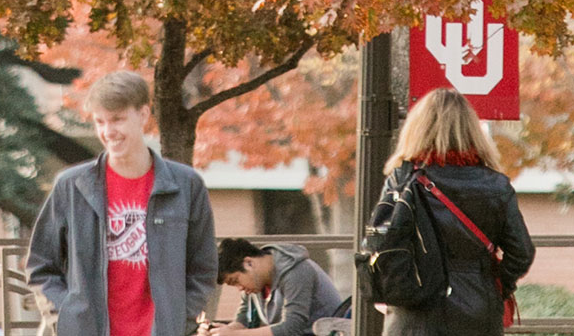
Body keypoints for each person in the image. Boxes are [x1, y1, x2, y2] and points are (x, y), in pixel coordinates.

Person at [26, 71, 218, 336]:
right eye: (100, 122)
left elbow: (203, 268)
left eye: (117, 119)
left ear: (143, 114)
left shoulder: (186, 185)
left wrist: (180, 321)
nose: (108, 132)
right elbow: (41, 267)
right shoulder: (70, 186)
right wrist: (68, 319)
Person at [378, 89, 535, 336]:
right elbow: (522, 253)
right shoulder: (496, 186)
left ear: (417, 128)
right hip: (477, 312)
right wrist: (493, 286)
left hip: (414, 313)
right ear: (472, 130)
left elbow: (383, 243)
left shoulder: (402, 180)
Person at [201, 238, 347, 336]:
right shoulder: (255, 284)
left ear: (248, 263)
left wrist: (234, 335)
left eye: (236, 281)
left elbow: (291, 328)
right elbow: (244, 319)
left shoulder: (296, 271)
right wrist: (219, 331)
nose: (240, 288)